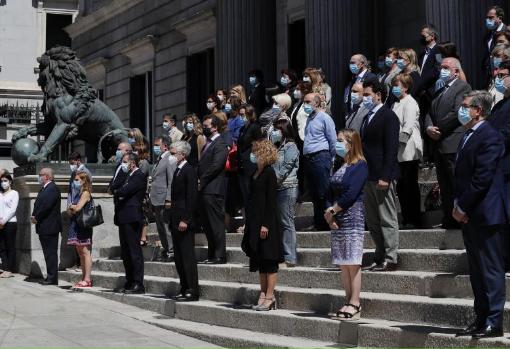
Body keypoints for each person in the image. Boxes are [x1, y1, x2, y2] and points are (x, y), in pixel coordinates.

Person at [453, 90, 507, 339]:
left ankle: (494, 321)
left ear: (479, 110)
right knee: (476, 270)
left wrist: (462, 206)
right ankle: (481, 317)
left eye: (466, 106)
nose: (461, 110)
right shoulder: (468, 135)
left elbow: (482, 178)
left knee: (491, 269)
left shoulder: (490, 136)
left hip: (485, 213)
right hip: (470, 213)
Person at [325, 130, 368, 320]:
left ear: (351, 144)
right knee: (343, 263)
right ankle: (347, 299)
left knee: (352, 262)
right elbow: (329, 191)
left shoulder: (360, 166)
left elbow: (352, 193)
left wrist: (333, 210)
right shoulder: (340, 165)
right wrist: (329, 215)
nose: (337, 144)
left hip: (352, 216)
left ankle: (355, 302)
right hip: (337, 217)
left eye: (341, 141)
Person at [425, 57, 472, 229]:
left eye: (446, 67)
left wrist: (439, 129)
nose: (442, 70)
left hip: (452, 140)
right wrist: (429, 127)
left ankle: (460, 217)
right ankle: (448, 217)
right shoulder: (439, 89)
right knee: (444, 184)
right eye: (441, 67)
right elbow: (429, 111)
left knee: (455, 182)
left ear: (456, 72)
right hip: (438, 143)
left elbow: (457, 112)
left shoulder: (463, 87)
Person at [360, 79, 400, 272]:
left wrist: (386, 175)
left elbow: (391, 149)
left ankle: (391, 257)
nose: (364, 98)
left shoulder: (388, 116)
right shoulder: (367, 116)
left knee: (386, 217)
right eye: (363, 95)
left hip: (382, 176)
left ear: (378, 95)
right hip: (368, 176)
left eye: (367, 94)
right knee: (373, 219)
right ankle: (379, 254)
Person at [241, 139, 282, 311]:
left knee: (269, 260)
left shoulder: (269, 173)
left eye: (256, 151)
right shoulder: (255, 173)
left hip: (267, 222)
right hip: (254, 221)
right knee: (260, 261)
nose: (253, 154)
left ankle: (270, 296)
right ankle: (263, 293)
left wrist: (265, 224)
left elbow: (271, 202)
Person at [112, 153, 147, 294]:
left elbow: (125, 190)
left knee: (134, 251)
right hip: (123, 217)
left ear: (133, 163)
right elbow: (114, 186)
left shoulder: (139, 176)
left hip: (132, 217)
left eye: (125, 162)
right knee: (126, 252)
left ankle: (138, 283)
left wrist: (117, 191)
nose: (123, 165)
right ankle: (129, 281)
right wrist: (117, 189)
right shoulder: (127, 175)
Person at [391, 74, 423, 228]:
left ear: (406, 86)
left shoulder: (410, 102)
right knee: (402, 187)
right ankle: (406, 217)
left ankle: (413, 218)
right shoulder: (396, 103)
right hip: (399, 151)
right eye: (393, 85)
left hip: (408, 149)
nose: (394, 88)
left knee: (409, 185)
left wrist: (397, 143)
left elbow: (408, 126)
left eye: (398, 85)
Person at [168, 141, 199, 302]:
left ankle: (192, 289)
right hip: (175, 218)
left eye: (174, 153)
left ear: (183, 154)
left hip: (183, 220)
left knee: (187, 256)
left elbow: (191, 198)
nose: (171, 156)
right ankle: (184, 286)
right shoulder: (178, 171)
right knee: (179, 257)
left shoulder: (189, 171)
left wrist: (185, 219)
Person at [302, 93, 337, 231]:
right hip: (309, 159)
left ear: (316, 103)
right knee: (314, 193)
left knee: (324, 191)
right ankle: (319, 223)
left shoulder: (325, 118)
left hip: (321, 157)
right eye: (304, 102)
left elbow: (332, 140)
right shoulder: (309, 119)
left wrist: (332, 159)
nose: (305, 104)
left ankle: (330, 221)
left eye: (308, 102)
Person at [198, 115, 229, 264]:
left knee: (215, 224)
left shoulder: (220, 143)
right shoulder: (207, 143)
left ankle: (219, 255)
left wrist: (201, 179)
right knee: (208, 224)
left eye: (207, 125)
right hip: (205, 190)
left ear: (215, 127)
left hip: (214, 189)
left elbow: (217, 165)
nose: (204, 128)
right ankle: (212, 254)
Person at [270, 118, 299, 267]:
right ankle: (284, 254)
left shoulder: (291, 146)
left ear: (284, 131)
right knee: (281, 222)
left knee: (287, 222)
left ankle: (290, 257)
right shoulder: (277, 147)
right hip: (278, 188)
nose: (274, 132)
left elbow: (287, 166)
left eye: (277, 129)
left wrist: (274, 180)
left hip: (288, 187)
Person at [31, 168, 62, 285]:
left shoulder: (52, 188)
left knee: (50, 253)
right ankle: (50, 276)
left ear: (47, 176)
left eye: (40, 175)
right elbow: (39, 204)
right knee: (47, 253)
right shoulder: (45, 189)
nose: (39, 177)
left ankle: (52, 278)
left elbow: (46, 206)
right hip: (44, 226)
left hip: (50, 226)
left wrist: (36, 217)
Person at [149, 135, 177, 262]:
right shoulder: (159, 160)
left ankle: (171, 251)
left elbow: (171, 181)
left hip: (163, 199)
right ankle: (166, 249)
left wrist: (169, 198)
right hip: (155, 199)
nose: (155, 148)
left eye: (157, 145)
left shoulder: (169, 159)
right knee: (160, 227)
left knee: (166, 227)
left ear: (165, 146)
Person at [489, 60, 510, 214]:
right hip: (498, 167)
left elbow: (506, 133)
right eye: (496, 74)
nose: (497, 78)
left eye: (502, 75)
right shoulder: (498, 105)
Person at [237, 105, 263, 229]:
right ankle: (248, 221)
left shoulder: (255, 127)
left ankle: (254, 222)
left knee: (252, 195)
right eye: (240, 114)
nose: (242, 117)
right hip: (242, 166)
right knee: (246, 197)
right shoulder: (242, 129)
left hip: (252, 165)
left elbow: (260, 146)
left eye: (244, 114)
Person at [66, 171, 93, 288]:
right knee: (80, 253)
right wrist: (72, 208)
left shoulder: (85, 193)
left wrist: (72, 207)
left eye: (77, 180)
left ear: (83, 181)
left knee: (85, 252)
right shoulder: (77, 193)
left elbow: (77, 208)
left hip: (83, 225)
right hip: (76, 224)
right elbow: (70, 210)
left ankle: (87, 279)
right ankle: (83, 278)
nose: (74, 182)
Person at [66, 152, 91, 268]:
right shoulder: (73, 174)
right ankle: (78, 263)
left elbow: (87, 189)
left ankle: (82, 265)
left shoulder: (85, 172)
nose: (71, 165)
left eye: (72, 163)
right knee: (76, 243)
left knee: (83, 245)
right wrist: (69, 206)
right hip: (73, 209)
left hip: (81, 211)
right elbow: (70, 191)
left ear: (78, 161)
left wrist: (75, 206)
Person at [0, 174, 18, 278]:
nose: (3, 183)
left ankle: (9, 269)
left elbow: (12, 210)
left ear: (10, 182)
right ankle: (5, 268)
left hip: (10, 222)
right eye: (2, 181)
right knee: (2, 247)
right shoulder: (0, 194)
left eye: (5, 180)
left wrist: (4, 221)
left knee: (10, 246)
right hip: (0, 223)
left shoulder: (14, 193)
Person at [483, 6, 507, 84]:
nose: (488, 20)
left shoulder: (507, 32)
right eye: (487, 17)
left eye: (491, 17)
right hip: (489, 75)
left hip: (503, 75)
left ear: (499, 18)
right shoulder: (489, 35)